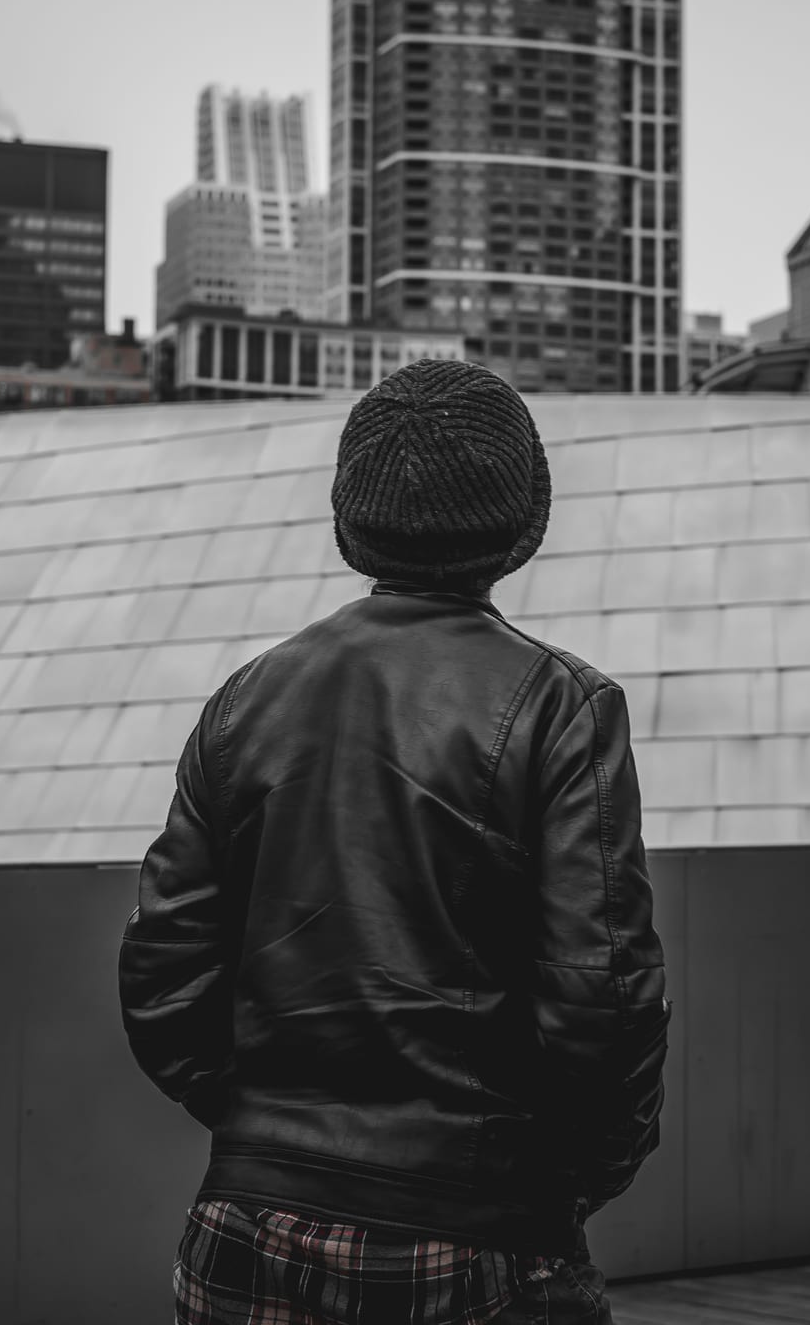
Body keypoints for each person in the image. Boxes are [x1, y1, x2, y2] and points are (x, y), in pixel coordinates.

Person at [120, 359, 669, 1324]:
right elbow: (603, 995)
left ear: (349, 521)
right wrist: (562, 1181)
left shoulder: (246, 699)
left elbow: (164, 979)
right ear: (525, 522)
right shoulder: (562, 708)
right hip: (471, 1234)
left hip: (243, 1228)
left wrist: (263, 1132)